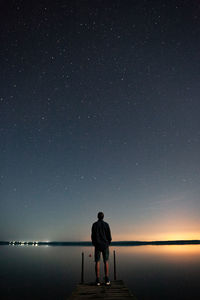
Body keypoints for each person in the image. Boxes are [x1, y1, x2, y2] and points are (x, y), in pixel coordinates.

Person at [91, 212, 112, 286]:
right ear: (103, 217)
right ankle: (106, 278)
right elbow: (109, 237)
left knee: (97, 262)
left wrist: (95, 244)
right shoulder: (106, 224)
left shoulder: (94, 225)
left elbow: (92, 236)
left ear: (97, 217)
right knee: (106, 261)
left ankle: (97, 280)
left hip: (97, 245)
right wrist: (107, 243)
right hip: (105, 245)